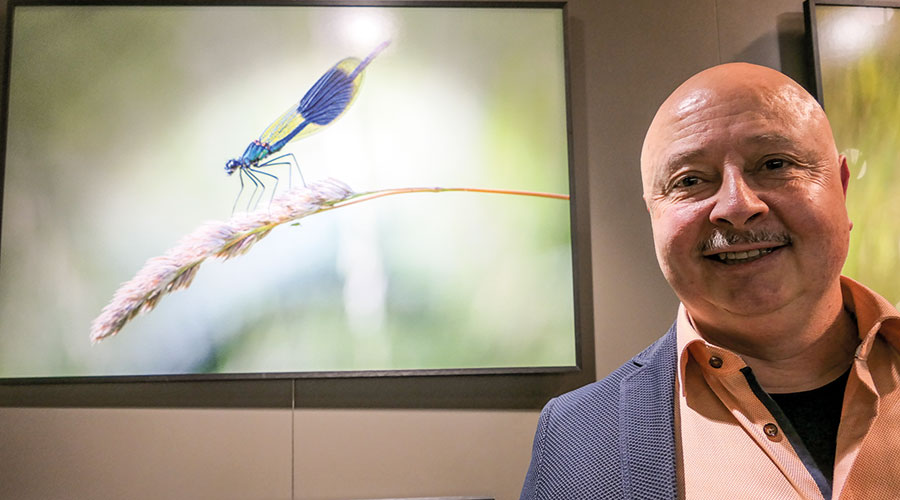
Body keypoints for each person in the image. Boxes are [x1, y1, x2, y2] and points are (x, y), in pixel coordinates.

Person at [519, 63, 900, 499]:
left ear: (842, 189)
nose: (736, 206)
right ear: (653, 215)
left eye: (774, 164)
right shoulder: (575, 438)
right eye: (690, 180)